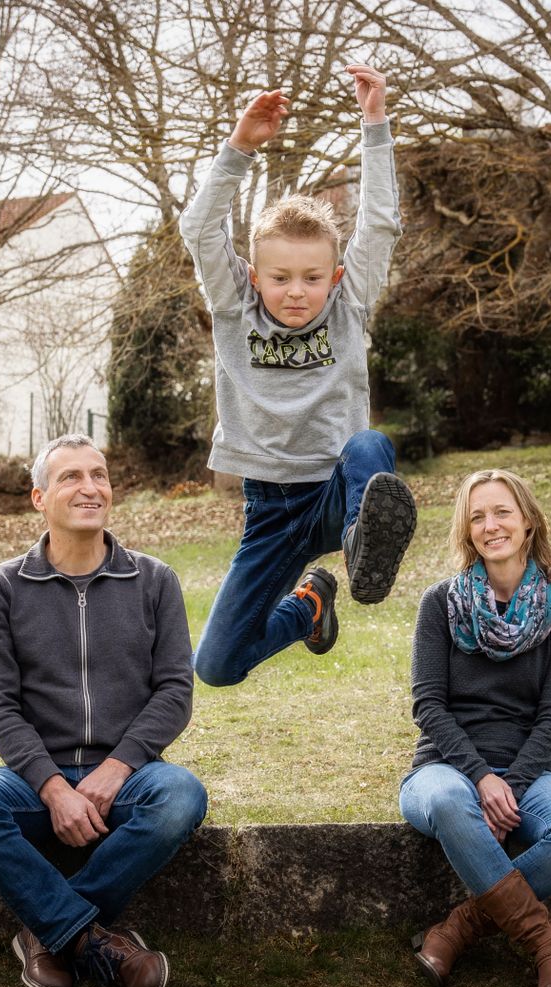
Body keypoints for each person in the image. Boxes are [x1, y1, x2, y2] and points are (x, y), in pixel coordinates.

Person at [0, 434, 207, 987]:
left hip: (129, 777)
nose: (91, 488)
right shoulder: (1, 590)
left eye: (100, 475)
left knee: (181, 794)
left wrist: (117, 768)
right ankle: (93, 942)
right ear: (38, 497)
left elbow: (175, 692)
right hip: (33, 782)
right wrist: (53, 787)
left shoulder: (155, 580)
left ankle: (48, 934)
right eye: (71, 478)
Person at [180, 63, 416, 688]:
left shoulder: (350, 302)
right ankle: (311, 605)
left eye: (312, 278)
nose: (295, 292)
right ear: (254, 276)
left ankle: (365, 540)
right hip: (269, 507)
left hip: (336, 488)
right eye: (280, 278)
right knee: (217, 665)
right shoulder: (234, 305)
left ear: (336, 278)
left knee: (371, 446)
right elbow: (200, 229)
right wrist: (238, 147)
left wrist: (376, 127)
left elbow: (381, 225)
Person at [398, 469, 551, 987]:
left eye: (502, 512)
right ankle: (546, 947)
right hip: (443, 767)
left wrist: (512, 781)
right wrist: (482, 778)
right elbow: (428, 705)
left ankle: (456, 930)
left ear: (528, 522)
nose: (491, 526)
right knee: (447, 799)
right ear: (467, 531)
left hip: (527, 772)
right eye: (478, 516)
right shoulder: (439, 604)